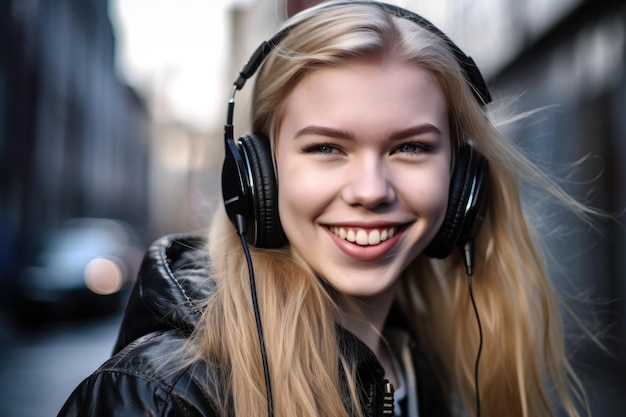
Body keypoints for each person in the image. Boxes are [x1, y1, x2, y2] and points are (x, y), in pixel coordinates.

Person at [58, 1, 596, 417]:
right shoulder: (159, 398)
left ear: (462, 181)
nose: (370, 190)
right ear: (258, 177)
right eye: (326, 148)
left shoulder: (428, 363)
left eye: (410, 147)